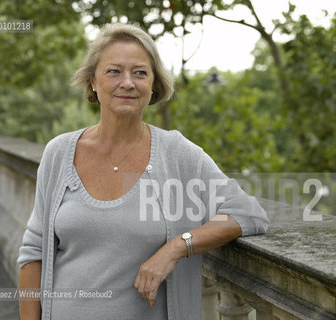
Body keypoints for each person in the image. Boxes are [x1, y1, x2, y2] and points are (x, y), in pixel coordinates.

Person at [17, 23, 268, 320]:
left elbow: (249, 213)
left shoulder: (178, 154)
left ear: (154, 85)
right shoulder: (59, 153)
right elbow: (34, 252)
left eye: (140, 73)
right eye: (113, 71)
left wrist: (177, 246)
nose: (128, 83)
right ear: (93, 82)